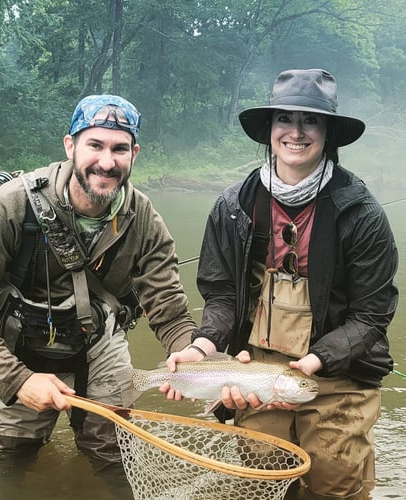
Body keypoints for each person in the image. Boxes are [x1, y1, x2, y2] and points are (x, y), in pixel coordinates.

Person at [162, 69, 398, 499]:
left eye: (310, 121)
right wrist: (204, 345)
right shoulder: (233, 205)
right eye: (284, 119)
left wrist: (314, 362)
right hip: (254, 365)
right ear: (269, 130)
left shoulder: (361, 213)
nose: (296, 132)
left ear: (328, 133)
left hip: (337, 370)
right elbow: (222, 295)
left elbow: (372, 315)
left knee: (334, 479)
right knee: (265, 473)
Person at [0, 94, 200, 472]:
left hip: (100, 342)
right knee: (8, 459)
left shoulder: (144, 219)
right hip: (20, 347)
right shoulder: (12, 205)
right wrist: (17, 381)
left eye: (120, 148)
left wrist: (190, 354)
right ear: (70, 146)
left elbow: (169, 308)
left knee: (115, 454)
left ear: (135, 153)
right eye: (95, 145)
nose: (107, 162)